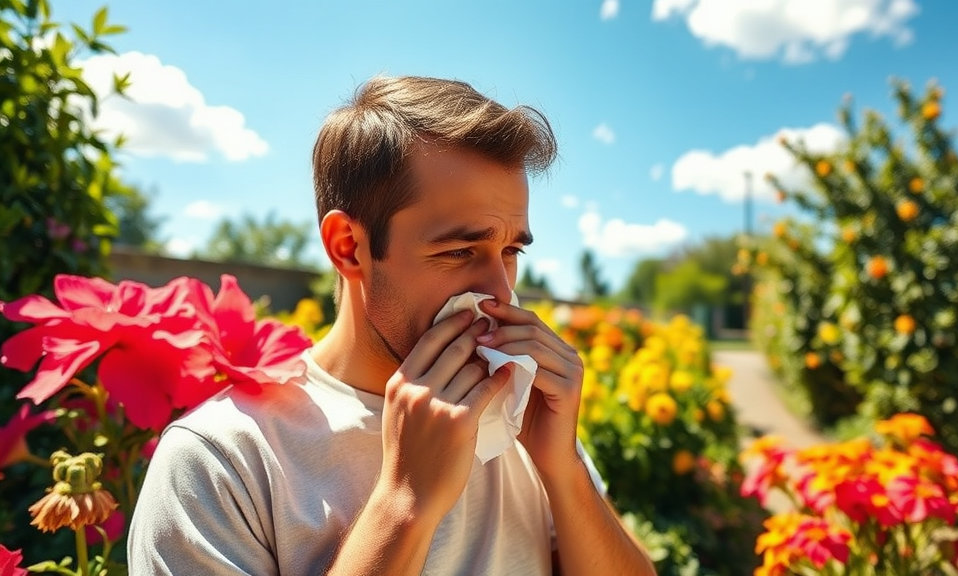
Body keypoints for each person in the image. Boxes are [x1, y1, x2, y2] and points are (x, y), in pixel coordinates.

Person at [128, 75, 656, 575]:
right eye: (460, 250)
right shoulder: (222, 460)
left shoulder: (520, 409)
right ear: (348, 247)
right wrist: (402, 505)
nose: (500, 290)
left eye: (510, 250)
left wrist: (563, 469)